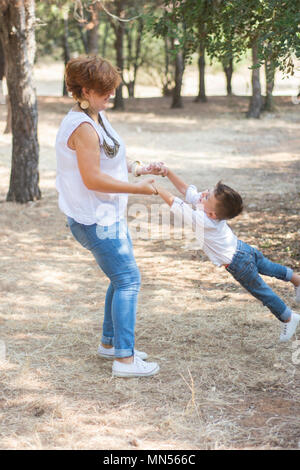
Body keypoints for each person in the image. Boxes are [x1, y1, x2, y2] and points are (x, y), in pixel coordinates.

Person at [56, 56, 163, 378]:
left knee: (120, 279)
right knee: (129, 281)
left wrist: (139, 168)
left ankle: (110, 343)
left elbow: (111, 156)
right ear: (85, 90)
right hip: (94, 219)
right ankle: (125, 360)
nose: (110, 97)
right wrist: (140, 189)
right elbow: (93, 180)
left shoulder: (95, 115)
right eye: (105, 92)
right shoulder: (83, 127)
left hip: (107, 214)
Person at [153, 168, 300, 342]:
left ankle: (289, 317)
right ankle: (296, 280)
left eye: (207, 196)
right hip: (243, 248)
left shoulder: (203, 220)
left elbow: (175, 203)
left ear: (212, 214)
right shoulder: (206, 206)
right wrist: (167, 173)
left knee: (262, 291)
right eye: (208, 191)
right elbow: (186, 190)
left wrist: (157, 188)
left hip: (237, 263)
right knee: (269, 267)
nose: (204, 194)